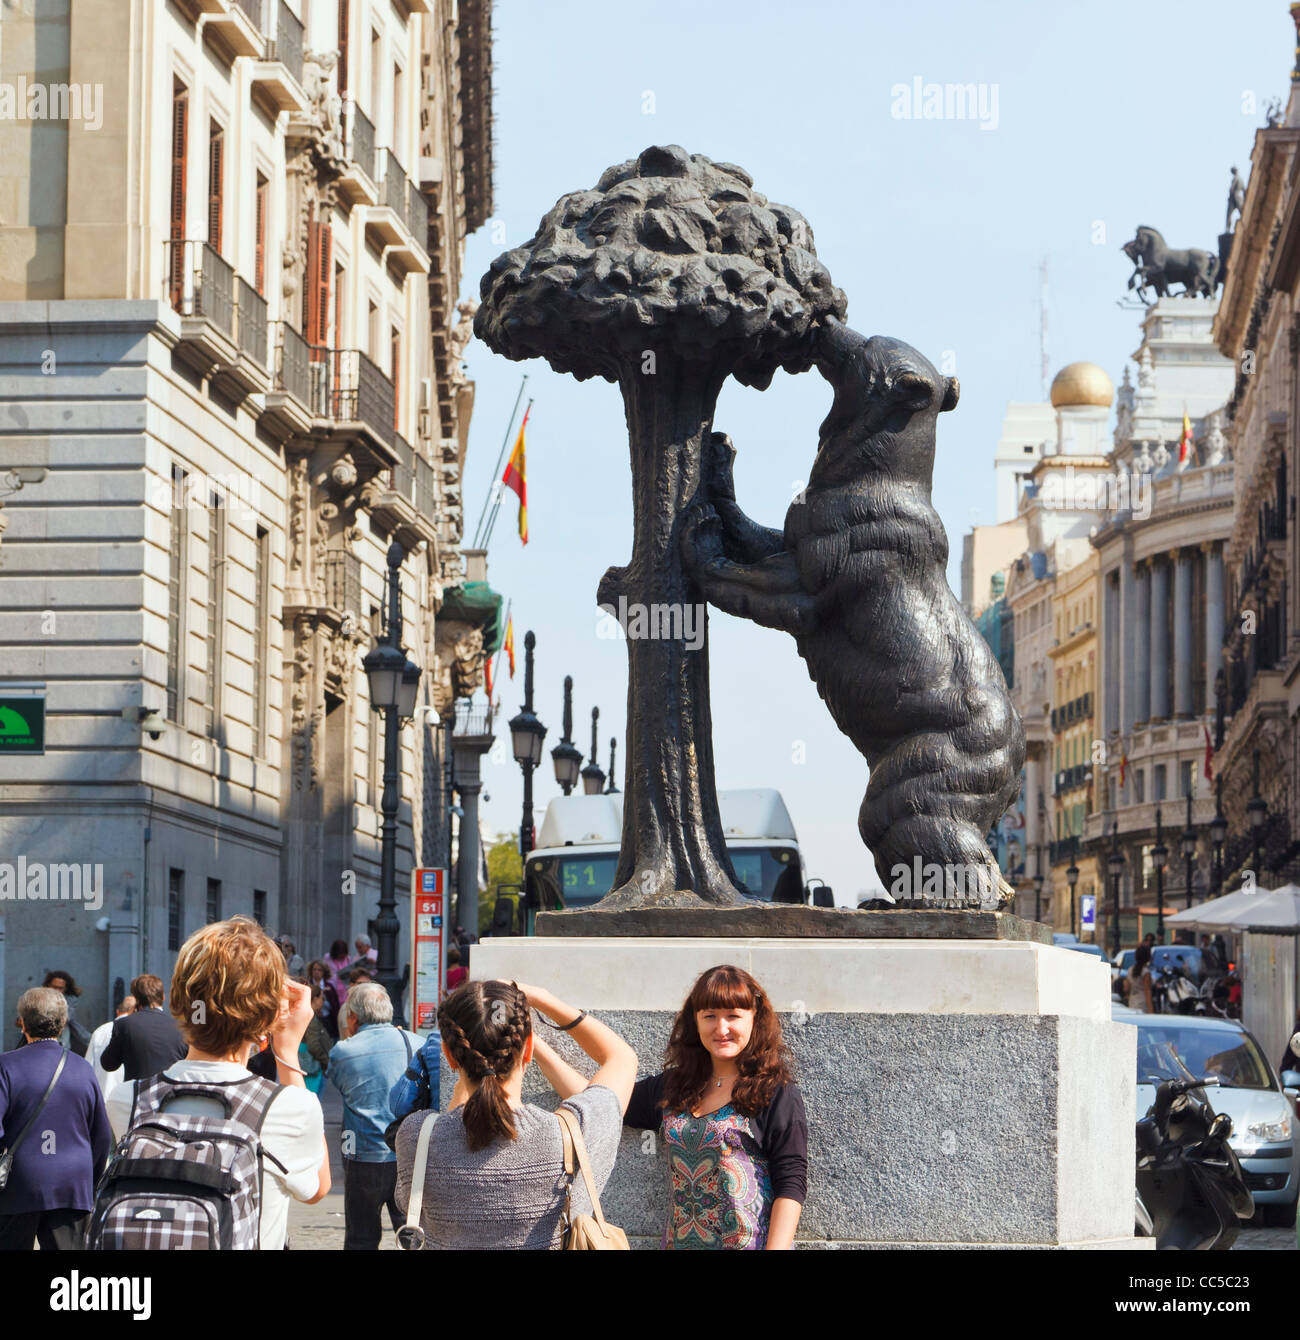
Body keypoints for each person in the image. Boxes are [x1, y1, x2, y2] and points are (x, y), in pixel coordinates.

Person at [104, 917, 331, 1249]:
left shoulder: (127, 1099)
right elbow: (316, 1189)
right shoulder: (292, 1107)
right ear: (265, 1017)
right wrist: (286, 1049)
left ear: (180, 1002)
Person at [394, 979, 635, 1249]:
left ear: (449, 1056)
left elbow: (408, 1200)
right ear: (528, 1048)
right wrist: (542, 998)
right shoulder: (570, 1133)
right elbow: (622, 1058)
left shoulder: (417, 1136)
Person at [622, 964, 807, 1250]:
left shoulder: (774, 1091)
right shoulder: (674, 1087)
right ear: (695, 1021)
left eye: (733, 1016)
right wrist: (537, 1048)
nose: (722, 1029)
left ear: (754, 1018)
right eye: (710, 1016)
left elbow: (791, 1183)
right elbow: (602, 1101)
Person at [0, 987, 113, 1249]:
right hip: (71, 1183)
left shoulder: (6, 1066)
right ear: (62, 1024)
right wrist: (90, 1181)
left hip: (18, 1183)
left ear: (23, 1024)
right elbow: (102, 1136)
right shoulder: (82, 1069)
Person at [327, 983, 423, 1250]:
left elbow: (341, 1085)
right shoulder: (417, 1043)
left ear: (353, 1016)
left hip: (362, 1155)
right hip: (408, 1155)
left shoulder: (343, 1052)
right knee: (412, 1236)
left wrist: (348, 1034)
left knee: (361, 1238)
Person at [99, 973, 188, 1081]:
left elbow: (108, 1064)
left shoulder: (124, 1025)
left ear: (136, 999)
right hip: (170, 1095)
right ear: (163, 997)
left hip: (138, 1095)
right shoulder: (181, 1028)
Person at [87, 994, 135, 1102]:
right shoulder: (137, 1032)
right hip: (127, 1101)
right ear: (134, 1011)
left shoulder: (100, 1031)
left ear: (118, 1011)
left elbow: (88, 1067)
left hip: (101, 1099)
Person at [41, 970, 91, 1057]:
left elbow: (66, 1018)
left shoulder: (70, 999)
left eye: (60, 988)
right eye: (54, 987)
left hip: (63, 1037)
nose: (57, 990)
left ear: (65, 989)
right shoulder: (39, 997)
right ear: (48, 985)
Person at [307, 959, 341, 1039]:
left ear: (324, 972)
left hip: (327, 1019)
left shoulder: (329, 987)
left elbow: (335, 1006)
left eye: (319, 970)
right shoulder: (307, 985)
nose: (316, 972)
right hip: (311, 1020)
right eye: (314, 969)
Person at [1128, 943, 1155, 1014]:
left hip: (1132, 1003)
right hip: (1143, 1005)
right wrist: (1151, 1011)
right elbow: (1147, 992)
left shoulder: (1130, 970)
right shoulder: (1146, 972)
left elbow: (1127, 988)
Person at [326, 939, 352, 1004]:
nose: (341, 956)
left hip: (345, 989)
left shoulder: (348, 959)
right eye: (340, 954)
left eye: (343, 954)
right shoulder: (328, 958)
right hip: (334, 988)